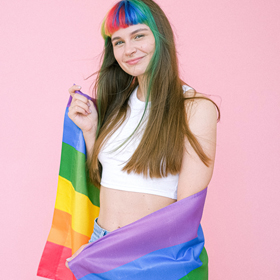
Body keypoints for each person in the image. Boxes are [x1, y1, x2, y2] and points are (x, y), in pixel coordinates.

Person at [66, 0, 219, 272]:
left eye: (138, 35)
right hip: (102, 244)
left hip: (155, 255)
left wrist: (111, 252)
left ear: (160, 37)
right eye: (118, 42)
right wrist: (91, 130)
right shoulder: (116, 106)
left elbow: (185, 211)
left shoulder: (195, 108)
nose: (129, 50)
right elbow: (108, 181)